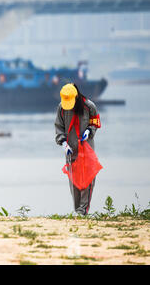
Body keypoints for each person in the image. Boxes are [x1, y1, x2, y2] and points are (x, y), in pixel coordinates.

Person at [55, 83, 101, 216]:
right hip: (71, 149)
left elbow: (95, 122)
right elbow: (59, 127)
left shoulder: (89, 106)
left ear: (76, 97)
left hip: (86, 148)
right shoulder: (61, 108)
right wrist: (63, 143)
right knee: (74, 180)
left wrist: (89, 131)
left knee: (88, 179)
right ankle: (77, 210)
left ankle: (83, 209)